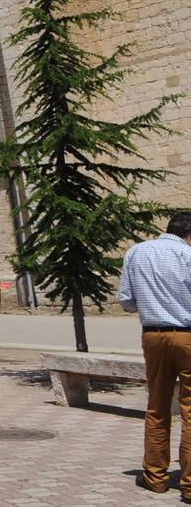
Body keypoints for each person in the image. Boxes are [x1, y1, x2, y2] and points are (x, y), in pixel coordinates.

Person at [118, 211, 191, 498]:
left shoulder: (136, 252)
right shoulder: (188, 255)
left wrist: (154, 302)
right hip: (188, 336)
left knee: (157, 406)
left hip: (152, 335)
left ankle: (155, 477)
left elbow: (127, 301)